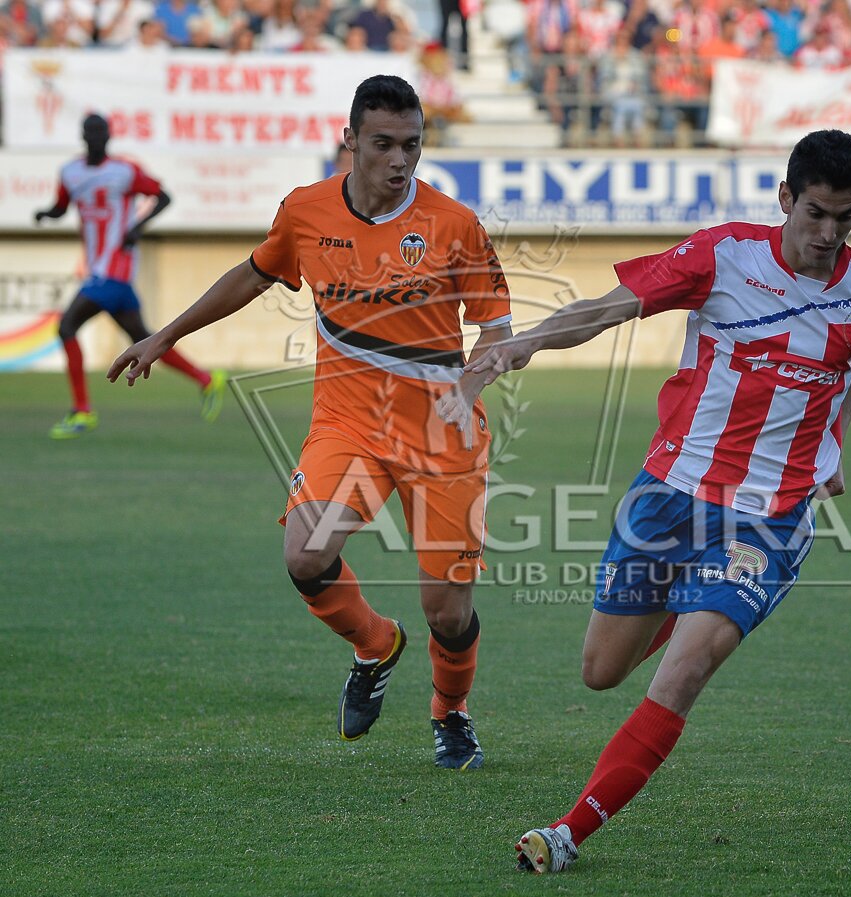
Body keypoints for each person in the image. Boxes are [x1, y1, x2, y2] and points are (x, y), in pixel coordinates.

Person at [442, 129, 851, 873]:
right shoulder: (723, 256)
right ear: (785, 198)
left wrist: (835, 448)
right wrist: (523, 344)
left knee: (685, 669)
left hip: (769, 518)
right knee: (601, 669)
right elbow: (609, 307)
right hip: (669, 496)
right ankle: (690, 597)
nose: (827, 234)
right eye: (815, 213)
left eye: (844, 219)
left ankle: (566, 834)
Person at [108, 76, 513, 768]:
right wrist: (164, 336)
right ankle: (374, 645)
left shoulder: (453, 224)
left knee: (447, 610)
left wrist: (468, 383)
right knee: (305, 554)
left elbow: (498, 330)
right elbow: (254, 273)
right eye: (383, 143)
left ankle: (451, 712)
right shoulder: (306, 211)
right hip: (349, 427)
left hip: (443, 438)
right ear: (350, 139)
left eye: (412, 145)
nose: (399, 160)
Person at [34, 114, 225, 439]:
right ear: (84, 136)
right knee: (146, 339)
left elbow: (163, 197)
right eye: (91, 133)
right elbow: (61, 206)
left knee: (67, 326)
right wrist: (46, 214)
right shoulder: (70, 172)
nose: (96, 138)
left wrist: (136, 228)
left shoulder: (123, 172)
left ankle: (82, 411)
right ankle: (206, 380)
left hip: (112, 272)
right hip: (107, 276)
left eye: (101, 133)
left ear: (108, 137)